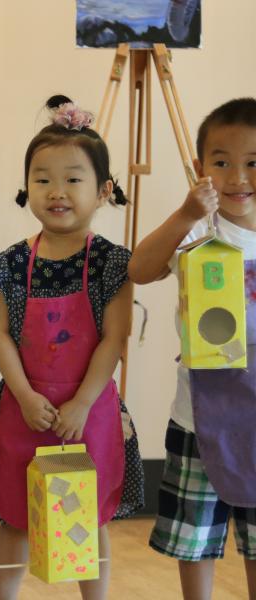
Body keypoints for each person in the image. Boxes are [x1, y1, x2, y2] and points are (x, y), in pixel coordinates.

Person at [0, 95, 144, 600]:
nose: (56, 191)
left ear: (104, 190)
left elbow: (115, 336)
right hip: (25, 409)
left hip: (89, 412)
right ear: (27, 188)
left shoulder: (113, 264)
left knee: (86, 513)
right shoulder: (10, 264)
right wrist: (24, 395)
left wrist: (83, 402)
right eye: (42, 179)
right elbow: (0, 332)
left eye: (72, 179)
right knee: (18, 516)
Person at [129, 97, 256, 600]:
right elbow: (140, 269)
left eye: (252, 163)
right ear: (200, 168)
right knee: (194, 540)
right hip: (198, 415)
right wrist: (184, 214)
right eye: (221, 162)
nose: (237, 177)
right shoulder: (199, 228)